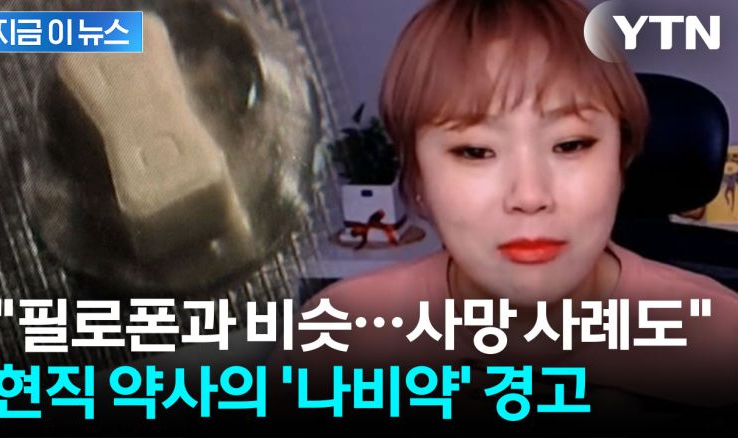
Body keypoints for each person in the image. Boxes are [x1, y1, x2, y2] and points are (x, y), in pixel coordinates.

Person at [268, 0, 738, 424]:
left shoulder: (720, 340)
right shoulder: (337, 340)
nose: (529, 195)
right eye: (475, 151)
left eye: (571, 145)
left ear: (621, 161)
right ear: (418, 180)